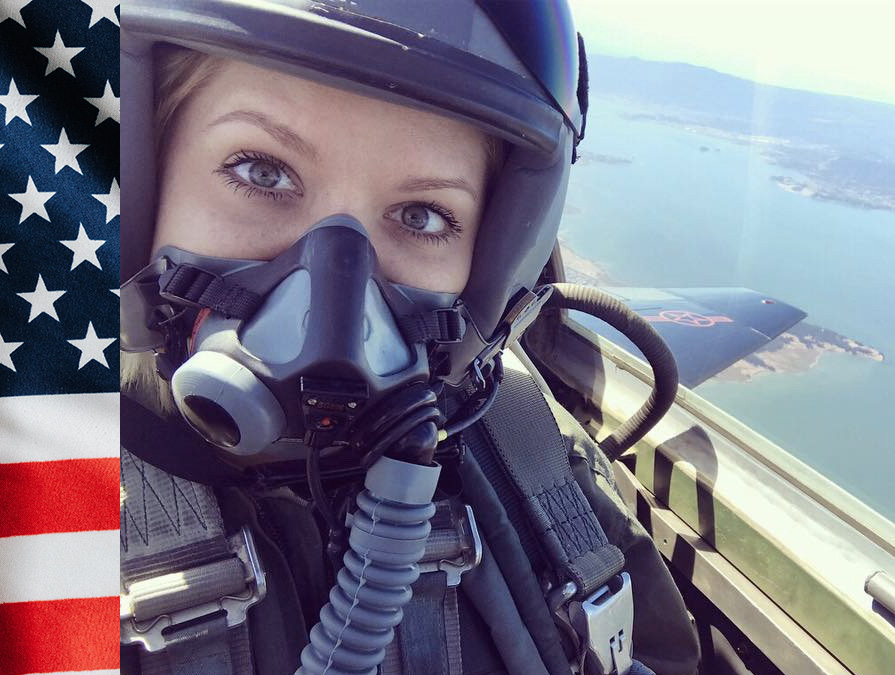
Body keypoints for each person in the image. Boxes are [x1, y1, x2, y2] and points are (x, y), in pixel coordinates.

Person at [117, 2, 701, 675]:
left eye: (421, 215)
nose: (332, 295)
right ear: (144, 180)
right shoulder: (42, 515)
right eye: (261, 172)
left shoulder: (532, 455)